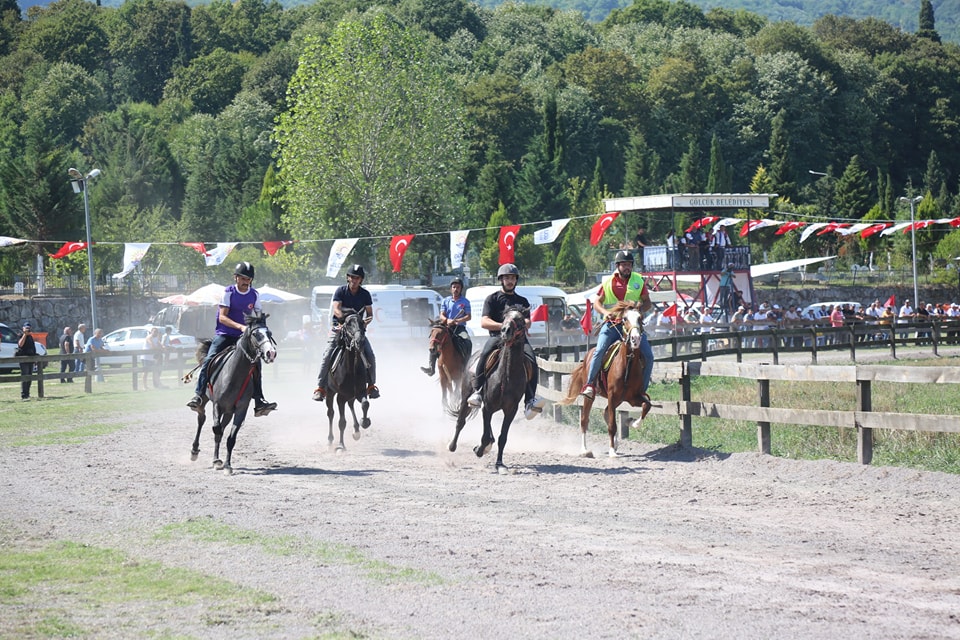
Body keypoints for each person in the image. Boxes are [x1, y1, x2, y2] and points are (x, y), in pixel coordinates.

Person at [187, 262, 277, 417]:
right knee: (209, 360)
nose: (245, 281)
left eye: (248, 278)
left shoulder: (254, 295)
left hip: (244, 338)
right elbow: (222, 317)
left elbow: (258, 316)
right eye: (242, 278)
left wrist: (261, 329)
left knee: (257, 365)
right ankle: (199, 395)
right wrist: (241, 327)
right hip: (225, 334)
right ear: (236, 278)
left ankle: (259, 401)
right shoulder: (228, 292)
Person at [466, 263, 545, 420]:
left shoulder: (522, 301)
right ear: (501, 280)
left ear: (516, 281)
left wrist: (523, 323)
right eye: (507, 278)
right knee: (485, 353)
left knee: (532, 360)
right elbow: (484, 322)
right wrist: (504, 326)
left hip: (518, 340)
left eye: (513, 278)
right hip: (498, 337)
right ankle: (478, 391)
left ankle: (530, 400)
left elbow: (528, 321)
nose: (510, 281)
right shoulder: (492, 299)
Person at [580, 250, 655, 407]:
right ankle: (590, 385)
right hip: (612, 324)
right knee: (600, 350)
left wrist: (639, 312)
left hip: (633, 326)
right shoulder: (607, 282)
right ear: (617, 266)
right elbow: (597, 303)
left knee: (648, 356)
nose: (627, 267)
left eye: (629, 264)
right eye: (624, 265)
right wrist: (606, 312)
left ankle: (642, 390)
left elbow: (648, 302)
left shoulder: (638, 281)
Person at [312, 263, 380, 401]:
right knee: (327, 355)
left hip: (357, 331)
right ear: (348, 278)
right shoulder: (340, 291)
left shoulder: (365, 294)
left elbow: (370, 314)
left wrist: (364, 324)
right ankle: (320, 388)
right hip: (339, 328)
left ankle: (371, 386)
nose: (354, 280)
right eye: (352, 277)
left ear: (361, 280)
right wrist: (343, 321)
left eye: (357, 278)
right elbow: (336, 309)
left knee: (370, 355)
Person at [421, 277, 472, 376]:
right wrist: (447, 320)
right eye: (454, 287)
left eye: (458, 287)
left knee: (467, 341)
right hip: (447, 327)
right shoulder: (445, 301)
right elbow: (442, 314)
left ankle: (466, 367)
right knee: (435, 340)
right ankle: (431, 367)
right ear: (451, 289)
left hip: (459, 328)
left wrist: (457, 320)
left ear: (461, 289)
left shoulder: (465, 302)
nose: (456, 289)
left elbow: (468, 316)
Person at [16, 322, 37, 400]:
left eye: (29, 328)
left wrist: (35, 358)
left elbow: (33, 347)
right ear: (23, 328)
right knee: (25, 376)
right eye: (26, 328)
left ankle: (27, 393)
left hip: (31, 359)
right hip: (23, 359)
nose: (27, 329)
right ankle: (24, 394)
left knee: (29, 377)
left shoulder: (31, 337)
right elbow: (20, 345)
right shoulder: (20, 335)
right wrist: (25, 334)